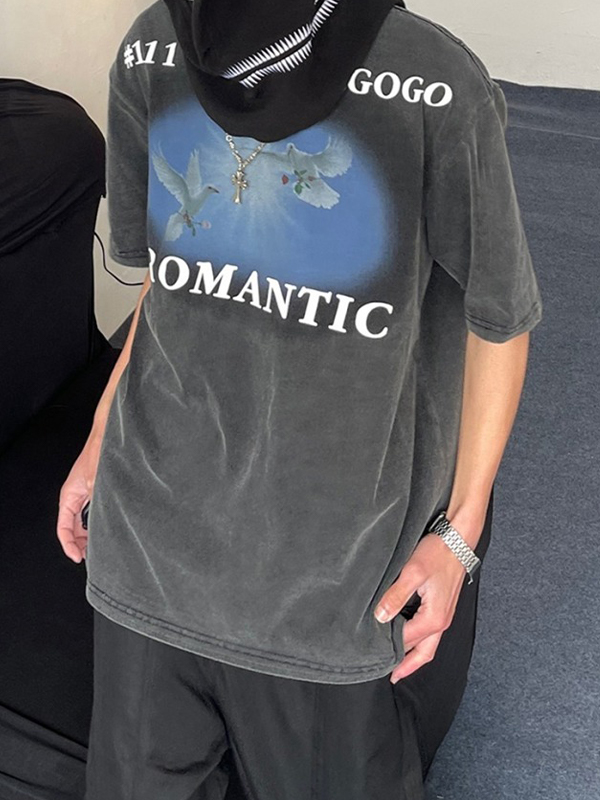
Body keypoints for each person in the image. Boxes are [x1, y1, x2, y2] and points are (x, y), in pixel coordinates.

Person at [56, 1, 543, 798]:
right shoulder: (151, 49)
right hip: (153, 548)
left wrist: (459, 537)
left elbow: (498, 320)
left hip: (333, 584)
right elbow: (172, 277)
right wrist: (100, 438)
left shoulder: (436, 85)